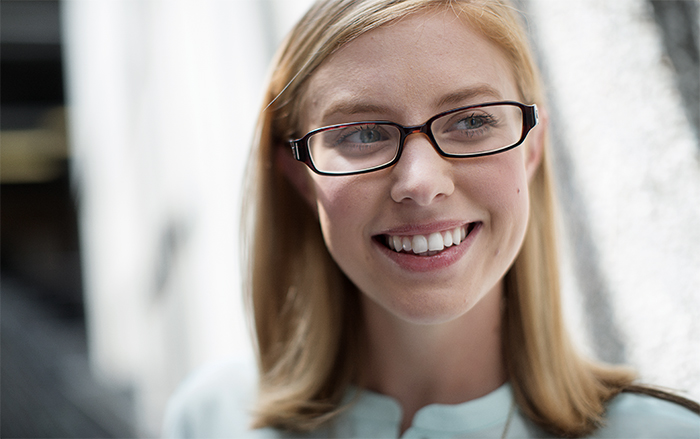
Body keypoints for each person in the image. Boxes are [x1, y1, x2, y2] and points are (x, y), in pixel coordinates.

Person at [163, 0, 700, 437]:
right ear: (300, 177)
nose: (420, 183)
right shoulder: (211, 418)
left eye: (471, 121)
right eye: (362, 133)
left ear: (532, 150)